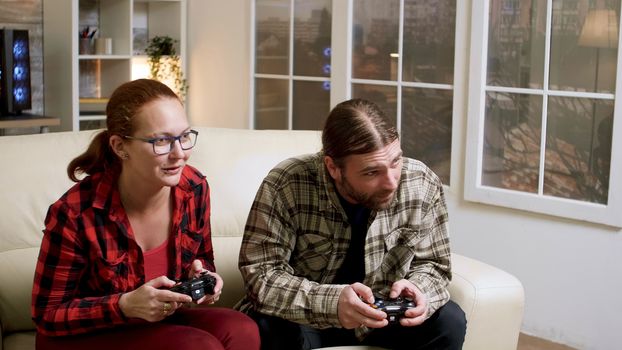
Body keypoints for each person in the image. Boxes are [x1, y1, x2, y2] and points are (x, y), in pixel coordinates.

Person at [31, 79, 260, 350]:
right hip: (84, 335)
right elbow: (47, 314)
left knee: (242, 329)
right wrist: (125, 305)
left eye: (184, 137)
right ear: (119, 147)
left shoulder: (194, 188)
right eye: (161, 141)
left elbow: (203, 258)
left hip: (155, 324)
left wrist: (203, 276)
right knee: (197, 346)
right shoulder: (74, 213)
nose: (179, 154)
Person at [238, 98, 466, 350]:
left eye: (395, 162)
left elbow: (435, 265)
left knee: (449, 320)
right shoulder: (286, 184)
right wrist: (333, 303)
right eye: (371, 172)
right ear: (333, 167)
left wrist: (419, 289)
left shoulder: (421, 183)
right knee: (269, 326)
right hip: (308, 320)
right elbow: (261, 275)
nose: (391, 181)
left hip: (383, 318)